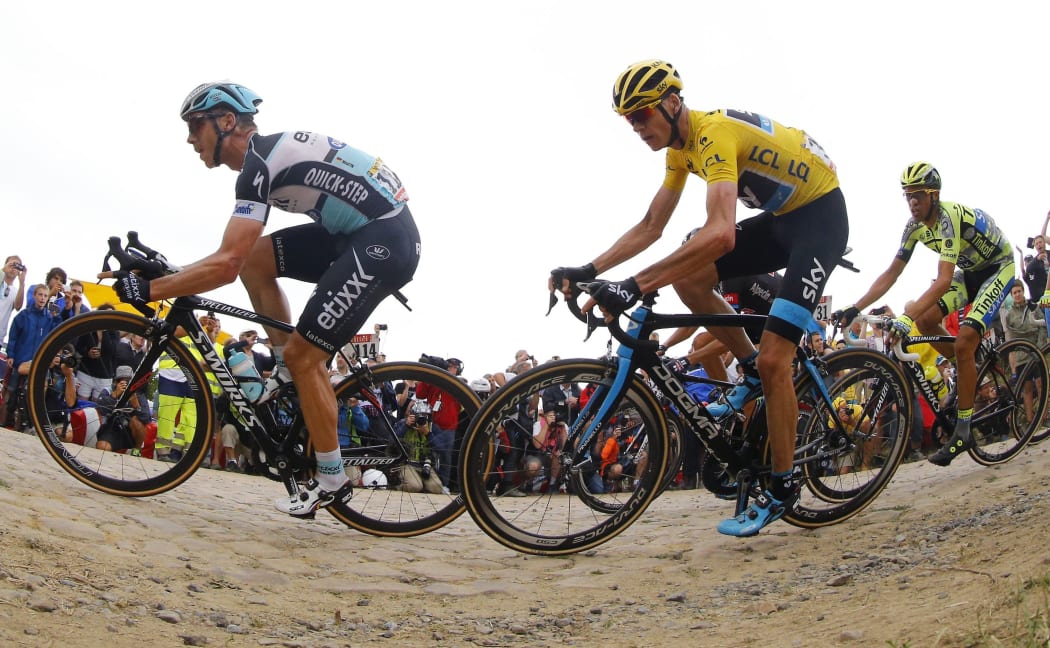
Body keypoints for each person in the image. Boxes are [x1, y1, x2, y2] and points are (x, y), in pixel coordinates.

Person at [552, 60, 848, 537]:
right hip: (780, 220)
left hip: (820, 221)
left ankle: (783, 484)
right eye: (629, 120)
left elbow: (722, 234)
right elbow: (652, 226)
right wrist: (589, 270)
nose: (637, 127)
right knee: (690, 280)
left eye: (642, 115)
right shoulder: (679, 147)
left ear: (672, 103)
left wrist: (634, 285)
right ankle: (747, 365)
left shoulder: (712, 135)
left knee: (778, 361)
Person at [101, 82, 420, 517]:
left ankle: (330, 477)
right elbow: (236, 258)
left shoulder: (260, 165)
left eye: (196, 126)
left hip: (384, 239)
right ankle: (287, 363)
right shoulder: (262, 161)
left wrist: (150, 289)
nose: (190, 138)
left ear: (226, 121)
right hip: (358, 233)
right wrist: (171, 270)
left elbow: (223, 265)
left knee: (309, 356)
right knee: (256, 261)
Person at [835, 162, 1015, 467]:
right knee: (924, 320)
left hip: (999, 267)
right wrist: (856, 306)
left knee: (961, 340)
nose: (912, 202)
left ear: (934, 195)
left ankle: (964, 428)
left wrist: (905, 317)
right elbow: (892, 272)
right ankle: (965, 367)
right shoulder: (914, 227)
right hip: (971, 271)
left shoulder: (948, 219)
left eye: (918, 195)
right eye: (907, 196)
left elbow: (943, 280)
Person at [1, 284, 62, 427]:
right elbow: (13, 336)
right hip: (21, 359)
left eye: (45, 296)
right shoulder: (24, 315)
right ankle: (5, 420)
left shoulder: (49, 318)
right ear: (34, 296)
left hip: (38, 360)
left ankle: (30, 422)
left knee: (37, 391)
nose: (42, 298)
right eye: (40, 295)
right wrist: (11, 355)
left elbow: (57, 332)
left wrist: (56, 316)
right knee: (11, 391)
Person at [0, 256, 27, 346]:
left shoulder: (16, 291)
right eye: (12, 264)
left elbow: (18, 307)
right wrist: (3, 270)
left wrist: (22, 283)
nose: (13, 268)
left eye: (17, 266)